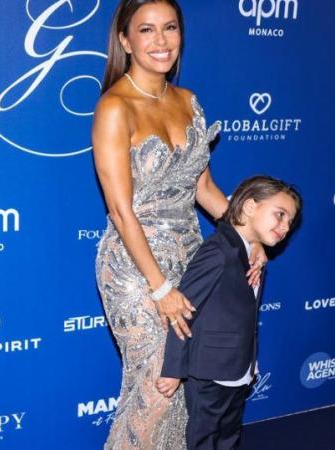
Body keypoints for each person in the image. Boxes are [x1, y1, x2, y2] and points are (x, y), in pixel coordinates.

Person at [92, 1, 267, 448]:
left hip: (191, 260)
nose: (161, 41)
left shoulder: (188, 101)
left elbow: (204, 190)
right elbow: (120, 210)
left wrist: (249, 238)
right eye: (147, 30)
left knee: (188, 385)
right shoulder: (115, 108)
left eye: (169, 28)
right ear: (126, 41)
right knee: (156, 385)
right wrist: (159, 288)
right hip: (136, 269)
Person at [159, 175, 301, 450]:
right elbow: (183, 310)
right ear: (249, 207)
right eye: (280, 215)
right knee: (205, 440)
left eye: (290, 223)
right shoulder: (218, 251)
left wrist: (250, 362)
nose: (284, 228)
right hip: (210, 372)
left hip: (238, 369)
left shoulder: (251, 253)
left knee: (229, 437)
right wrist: (174, 369)